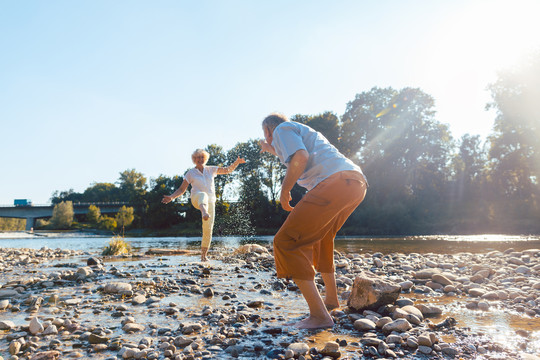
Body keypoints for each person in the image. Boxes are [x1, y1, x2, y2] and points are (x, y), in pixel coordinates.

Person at [260, 113, 368, 329]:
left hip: (334, 183)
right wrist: (267, 148)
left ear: (269, 129)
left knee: (285, 242)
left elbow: (299, 156)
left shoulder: (282, 129)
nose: (270, 140)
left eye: (266, 134)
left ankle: (319, 317)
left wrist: (285, 189)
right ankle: (330, 301)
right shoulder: (301, 131)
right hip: (355, 183)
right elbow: (286, 154)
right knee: (322, 237)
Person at [162, 149, 246, 261]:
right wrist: (172, 197)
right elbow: (182, 189)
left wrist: (237, 162)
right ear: (194, 159)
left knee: (208, 229)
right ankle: (204, 212)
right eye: (197, 158)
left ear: (205, 159)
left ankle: (203, 256)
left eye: (202, 157)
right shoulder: (190, 173)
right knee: (203, 195)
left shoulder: (211, 170)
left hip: (211, 202)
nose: (200, 159)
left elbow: (227, 170)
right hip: (197, 198)